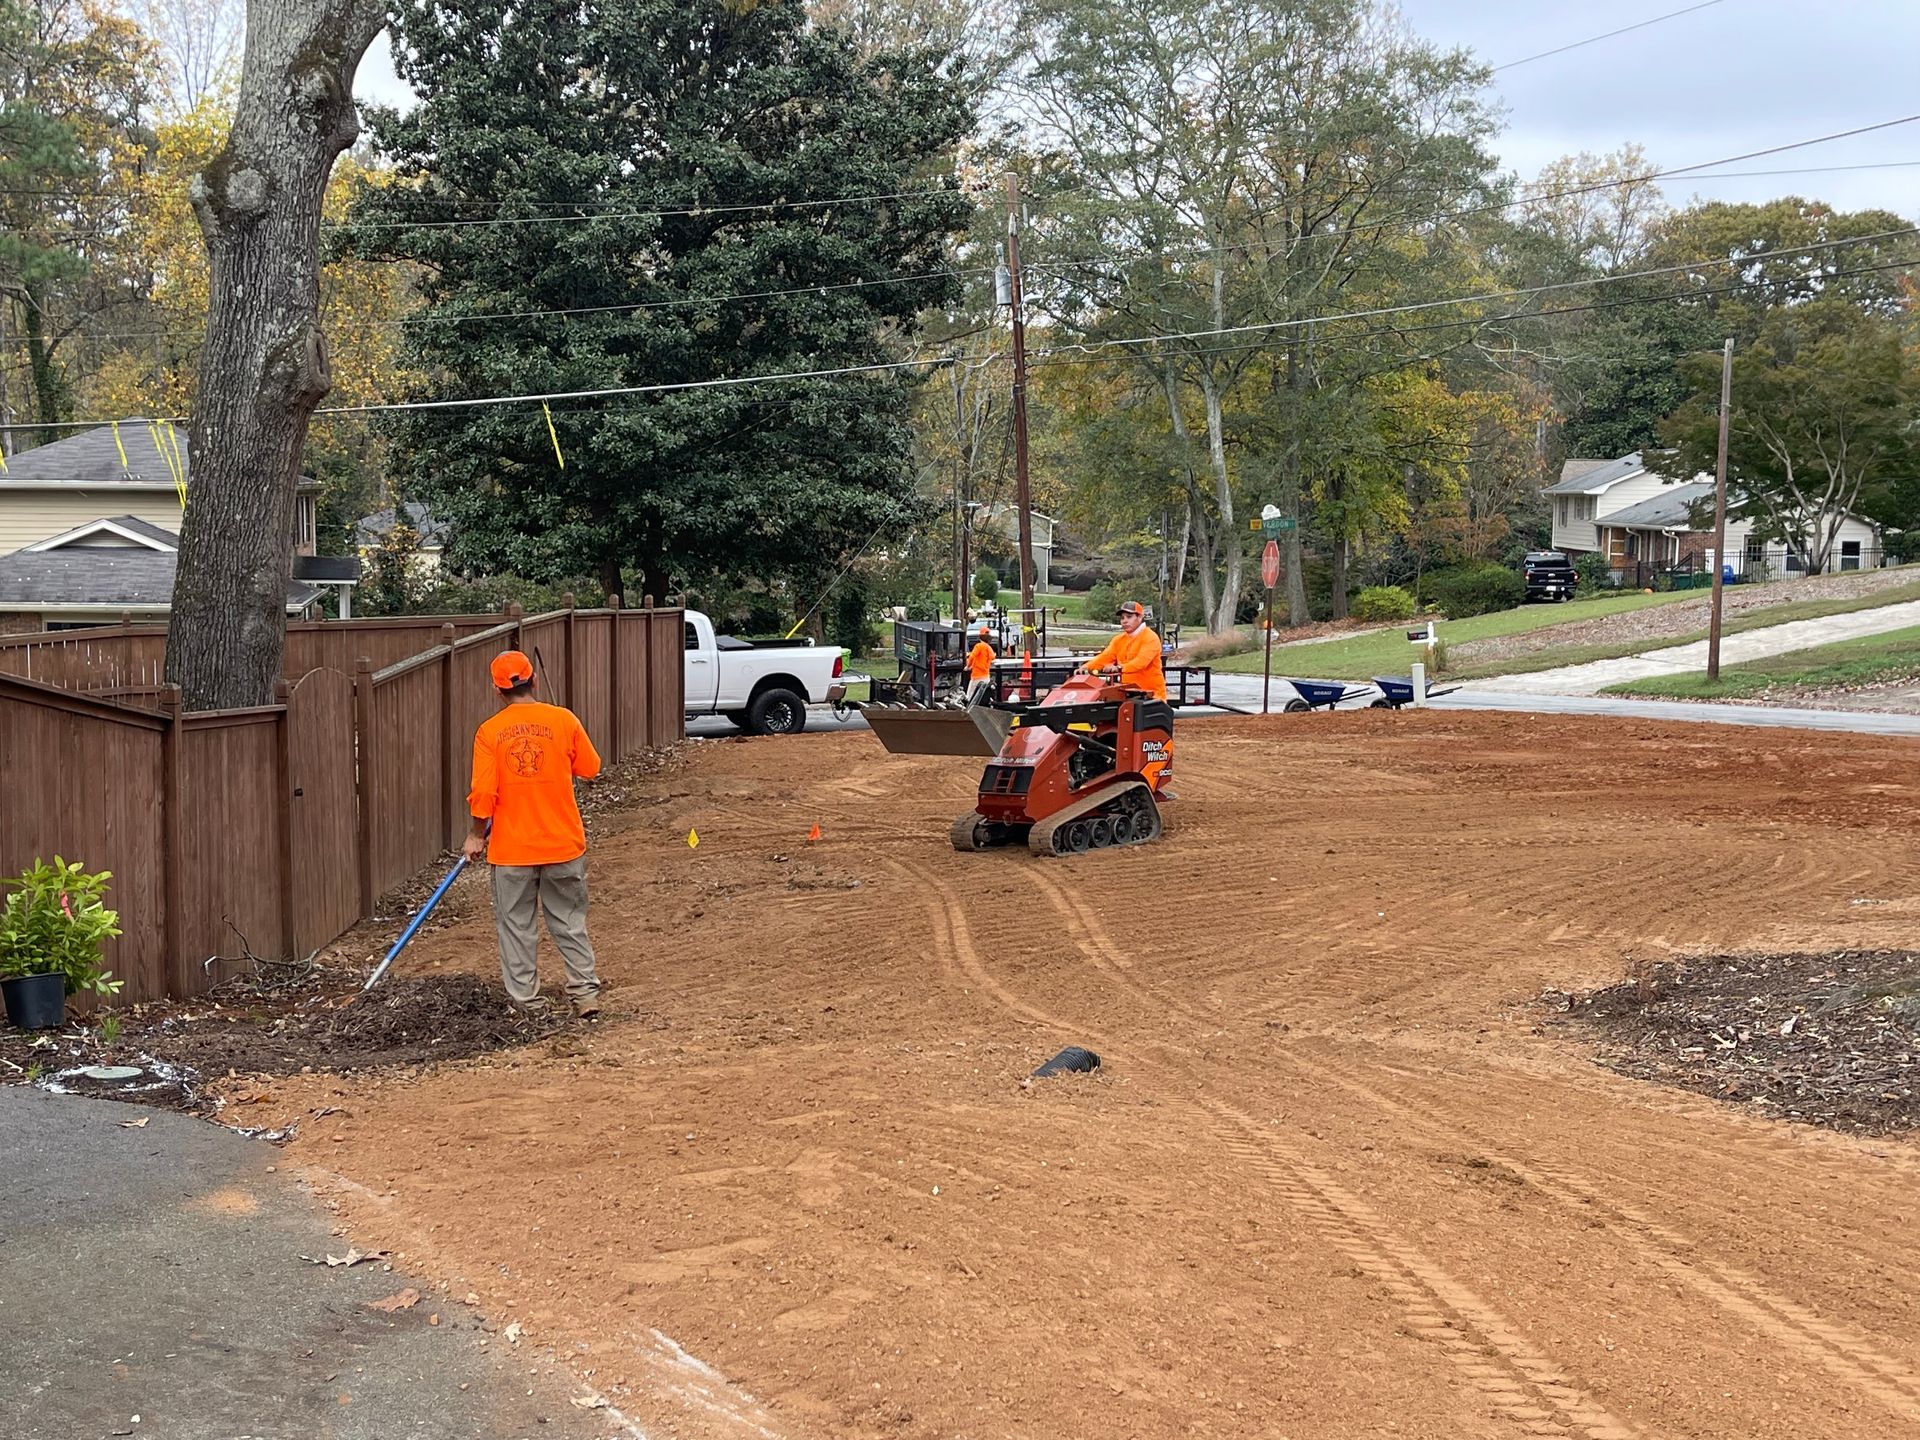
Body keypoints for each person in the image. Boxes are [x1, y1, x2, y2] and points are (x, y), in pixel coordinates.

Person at [464, 650, 604, 1017]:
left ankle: (528, 1004)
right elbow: (591, 767)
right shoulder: (563, 720)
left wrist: (476, 835)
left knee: (516, 927)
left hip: (512, 851)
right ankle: (585, 995)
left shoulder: (489, 733)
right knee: (569, 922)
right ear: (535, 681)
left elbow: (483, 794)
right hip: (563, 844)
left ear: (497, 691)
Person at [1081, 599, 1167, 699]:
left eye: (1129, 617)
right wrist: (1086, 668)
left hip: (1151, 696)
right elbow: (1105, 657)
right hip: (1127, 694)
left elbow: (1141, 662)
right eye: (1122, 618)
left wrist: (1119, 668)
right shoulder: (1118, 640)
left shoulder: (1150, 638)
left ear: (1139, 617)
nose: (1124, 621)